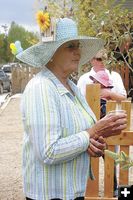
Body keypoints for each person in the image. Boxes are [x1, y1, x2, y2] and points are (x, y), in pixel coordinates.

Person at [16, 17, 127, 200]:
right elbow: (49, 151)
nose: (78, 52)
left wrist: (91, 144)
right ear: (51, 52)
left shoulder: (71, 86)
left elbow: (76, 134)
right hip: (49, 194)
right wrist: (93, 131)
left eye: (78, 46)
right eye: (70, 46)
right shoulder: (42, 87)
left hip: (70, 191)